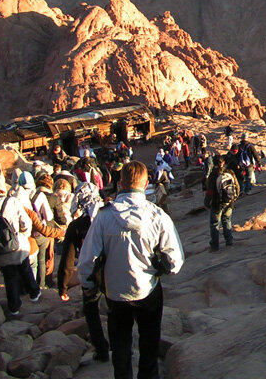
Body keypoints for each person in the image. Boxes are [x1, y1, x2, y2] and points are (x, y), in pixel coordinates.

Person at [78, 161, 184, 379]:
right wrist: (160, 267)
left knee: (120, 346)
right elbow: (176, 261)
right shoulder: (157, 216)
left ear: (120, 184)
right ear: (145, 183)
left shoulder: (104, 217)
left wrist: (89, 286)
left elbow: (87, 260)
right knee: (149, 343)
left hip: (116, 292)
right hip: (147, 288)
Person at [58, 184, 109, 361]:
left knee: (91, 312)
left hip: (90, 272)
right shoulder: (109, 215)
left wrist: (62, 287)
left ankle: (101, 350)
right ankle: (122, 347)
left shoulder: (77, 226)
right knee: (116, 310)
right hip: (112, 270)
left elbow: (68, 258)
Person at [0, 175, 41, 315]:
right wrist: (23, 233)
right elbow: (26, 223)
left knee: (9, 278)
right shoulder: (12, 201)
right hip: (17, 247)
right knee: (26, 269)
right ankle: (34, 294)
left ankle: (14, 306)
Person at [205, 155, 240, 251]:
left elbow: (210, 192)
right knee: (227, 221)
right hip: (229, 202)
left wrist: (206, 203)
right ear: (223, 162)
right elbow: (237, 187)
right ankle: (229, 241)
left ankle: (215, 246)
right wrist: (233, 198)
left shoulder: (213, 175)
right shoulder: (230, 172)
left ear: (214, 164)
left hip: (217, 203)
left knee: (215, 224)